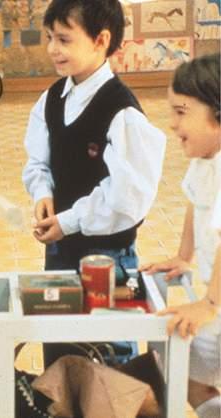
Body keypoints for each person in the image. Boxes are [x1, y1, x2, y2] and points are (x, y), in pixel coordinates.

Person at [21, 0, 166, 366]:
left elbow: (127, 199)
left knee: (107, 360)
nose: (53, 49)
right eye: (50, 37)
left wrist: (69, 221)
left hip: (107, 258)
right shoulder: (52, 99)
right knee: (62, 352)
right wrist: (42, 193)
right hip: (60, 252)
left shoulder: (122, 111)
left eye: (64, 39)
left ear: (101, 40)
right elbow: (38, 161)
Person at [141, 53, 221, 418]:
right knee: (175, 358)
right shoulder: (205, 160)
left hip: (217, 300)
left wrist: (209, 304)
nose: (172, 124)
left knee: (178, 353)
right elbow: (194, 202)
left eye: (182, 112)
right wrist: (182, 256)